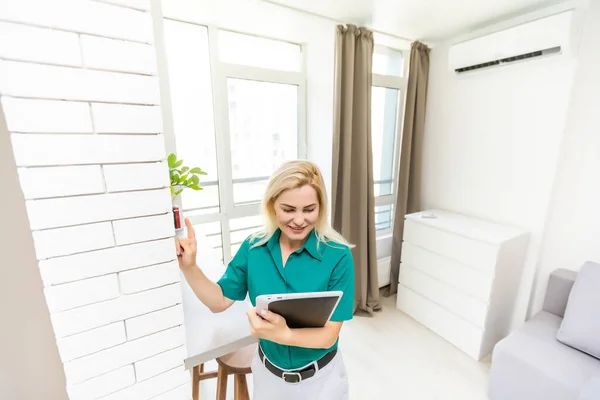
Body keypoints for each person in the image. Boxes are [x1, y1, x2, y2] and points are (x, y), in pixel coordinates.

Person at [176, 160, 355, 400]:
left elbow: (329, 335)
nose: (299, 220)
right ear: (272, 206)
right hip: (268, 378)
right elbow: (218, 301)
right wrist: (190, 267)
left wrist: (284, 335)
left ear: (320, 208)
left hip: (321, 383)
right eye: (289, 209)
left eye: (309, 209)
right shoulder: (254, 248)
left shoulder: (338, 255)